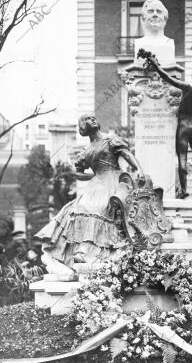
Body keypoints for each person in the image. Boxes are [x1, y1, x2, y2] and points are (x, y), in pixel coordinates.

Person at [35, 115, 145, 279]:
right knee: (79, 208)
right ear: (83, 127)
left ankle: (93, 251)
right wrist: (91, 177)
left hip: (114, 180)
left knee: (100, 207)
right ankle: (81, 251)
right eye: (87, 119)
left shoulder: (111, 140)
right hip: (96, 183)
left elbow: (127, 155)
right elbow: (78, 172)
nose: (92, 119)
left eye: (93, 118)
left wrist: (140, 170)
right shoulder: (86, 151)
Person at [138, 49, 192, 199]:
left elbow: (168, 78)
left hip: (184, 127)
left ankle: (184, 190)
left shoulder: (188, 88)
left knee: (182, 158)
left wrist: (155, 65)